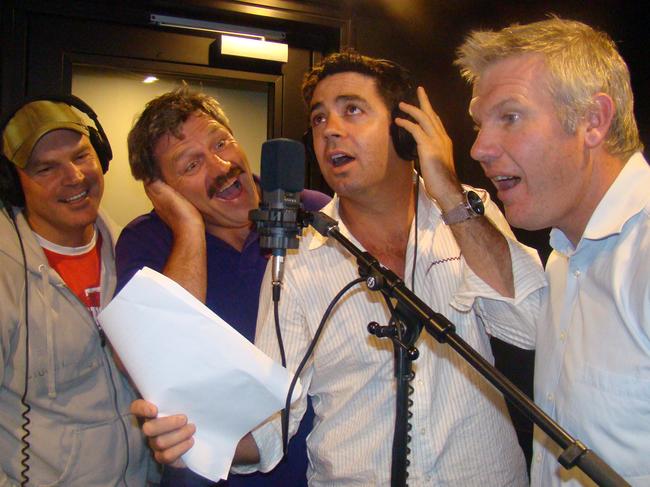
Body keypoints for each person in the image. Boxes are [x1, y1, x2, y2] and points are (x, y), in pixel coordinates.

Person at [134, 52, 547, 485]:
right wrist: (195, 438)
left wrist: (446, 188)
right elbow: (271, 425)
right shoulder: (295, 262)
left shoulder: (469, 213)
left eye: (352, 109)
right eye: (318, 119)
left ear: (404, 130)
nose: (330, 129)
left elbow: (528, 321)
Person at [455, 16, 649, 486]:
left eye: (510, 117)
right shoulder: (564, 256)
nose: (479, 148)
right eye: (481, 124)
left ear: (593, 121)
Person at [117, 87, 329, 486]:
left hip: (320, 469)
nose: (221, 167)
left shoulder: (311, 211)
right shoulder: (146, 242)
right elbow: (162, 360)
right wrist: (189, 229)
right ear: (161, 191)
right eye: (191, 164)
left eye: (221, 143)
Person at [0, 96, 154, 485]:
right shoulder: (5, 275)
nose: (73, 176)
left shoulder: (132, 254)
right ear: (13, 184)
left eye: (81, 156)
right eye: (46, 168)